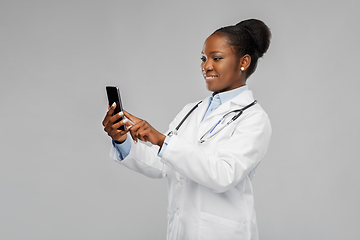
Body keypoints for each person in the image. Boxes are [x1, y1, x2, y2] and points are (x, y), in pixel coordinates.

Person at [102, 18, 272, 240]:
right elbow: (164, 164)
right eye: (204, 58)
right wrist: (122, 140)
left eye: (216, 58)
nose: (206, 66)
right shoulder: (192, 110)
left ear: (244, 62)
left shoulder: (254, 118)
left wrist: (162, 140)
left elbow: (223, 175)